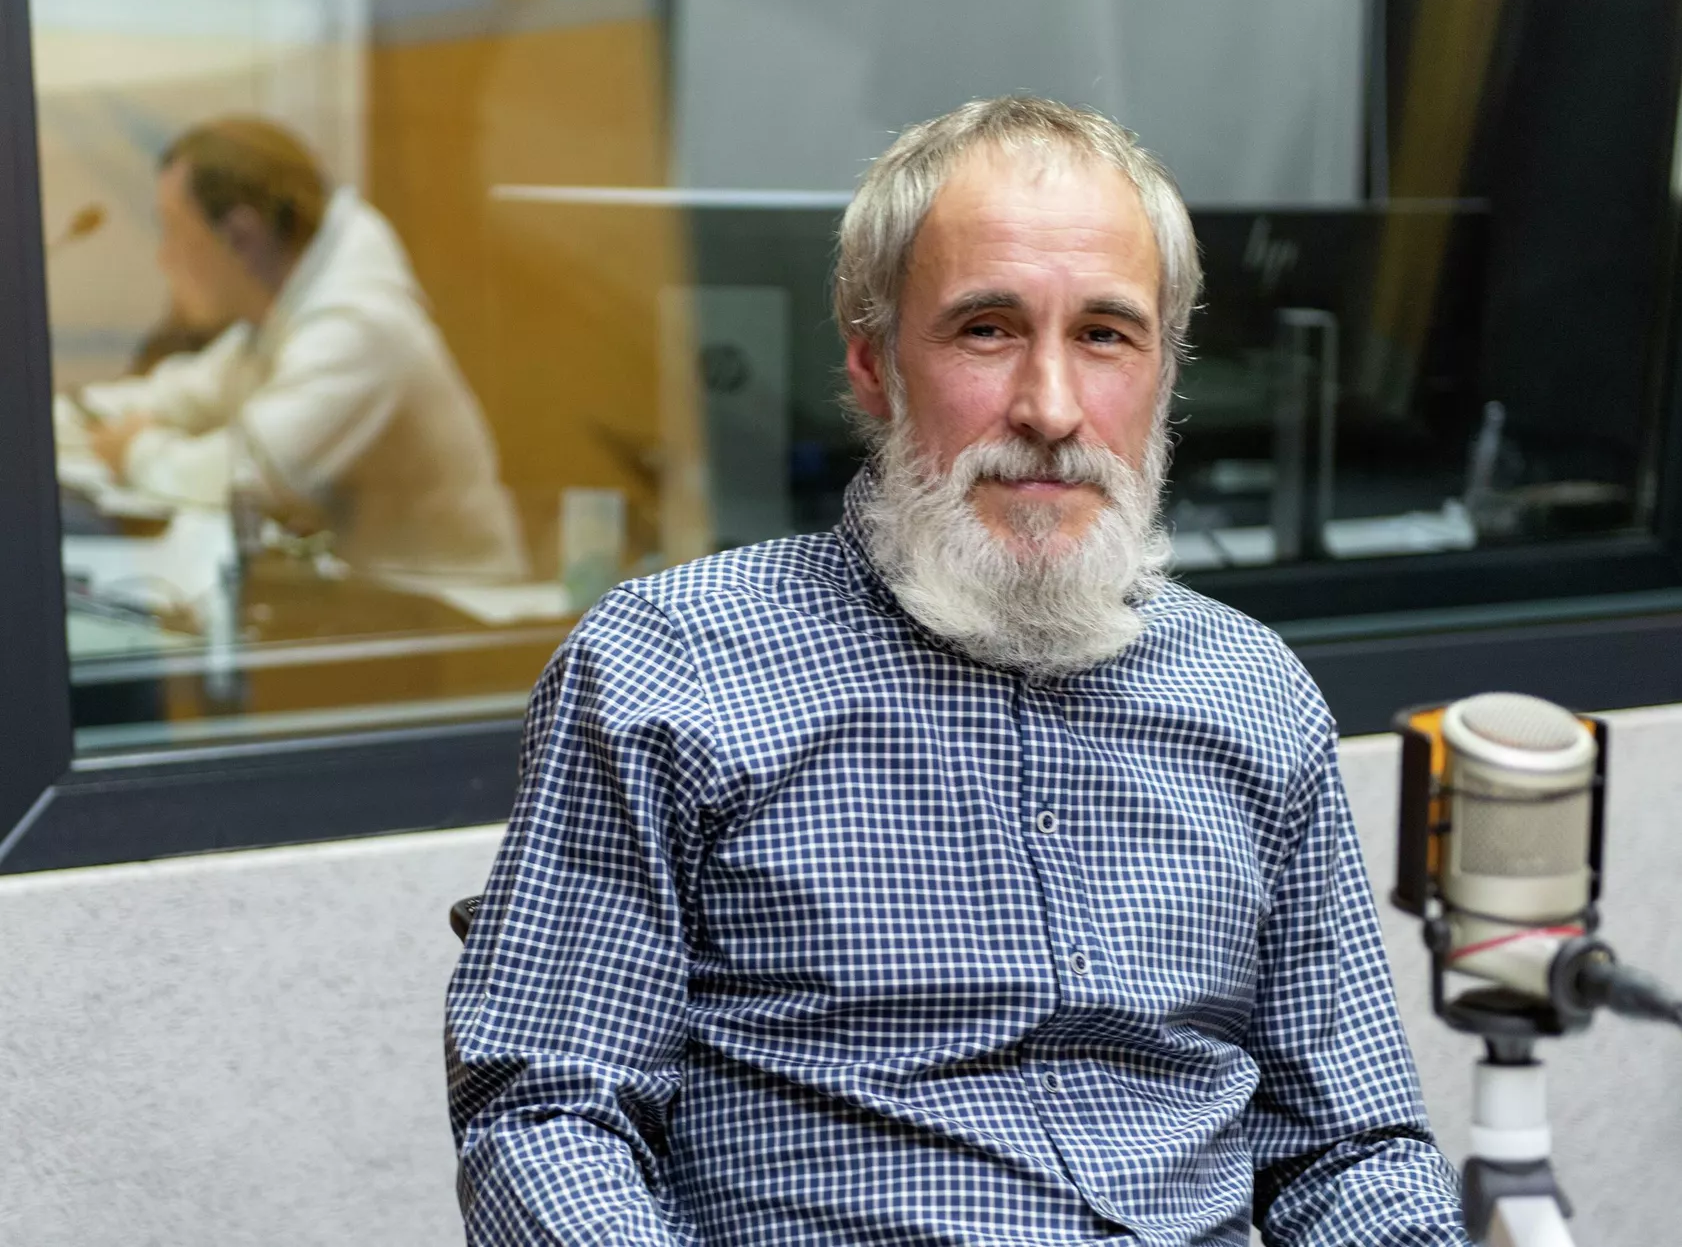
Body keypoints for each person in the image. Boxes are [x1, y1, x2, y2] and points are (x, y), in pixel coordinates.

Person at [446, 96, 1466, 1246]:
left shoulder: (1253, 695)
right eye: (987, 330)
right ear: (874, 365)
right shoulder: (671, 666)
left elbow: (1351, 1149)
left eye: (1106, 335)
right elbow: (547, 1119)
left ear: (1164, 374)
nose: (1050, 409)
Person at [82, 117, 526, 581]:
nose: (163, 257)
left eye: (174, 229)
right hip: (366, 595)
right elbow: (185, 396)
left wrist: (136, 453)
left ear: (241, 235)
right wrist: (56, 421)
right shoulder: (288, 305)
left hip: (450, 602)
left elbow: (254, 478)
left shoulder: (359, 326)